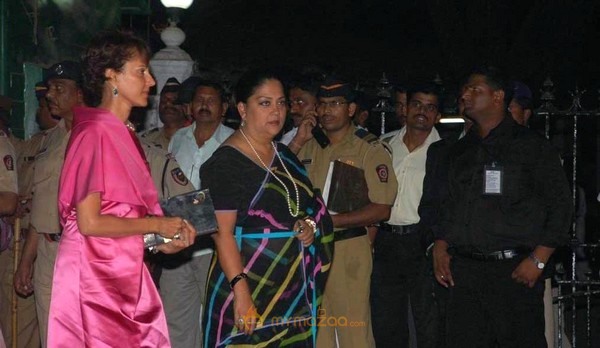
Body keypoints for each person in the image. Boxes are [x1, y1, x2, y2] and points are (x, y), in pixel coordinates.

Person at [46, 30, 196, 347]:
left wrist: (161, 240)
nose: (151, 81)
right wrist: (157, 224)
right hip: (93, 280)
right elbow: (89, 222)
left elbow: (122, 216)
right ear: (111, 75)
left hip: (120, 271)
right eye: (141, 71)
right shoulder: (94, 132)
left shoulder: (122, 133)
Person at [432, 66, 572, 347]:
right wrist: (439, 244)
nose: (466, 94)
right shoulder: (460, 151)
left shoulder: (532, 146)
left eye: (475, 89)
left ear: (498, 97)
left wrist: (539, 259)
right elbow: (447, 205)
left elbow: (561, 205)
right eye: (465, 89)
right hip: (466, 272)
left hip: (513, 271)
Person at [201, 68, 333, 347]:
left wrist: (308, 225)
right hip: (248, 282)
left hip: (290, 289)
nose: (276, 111)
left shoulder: (283, 154)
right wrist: (241, 292)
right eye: (264, 103)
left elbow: (309, 205)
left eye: (281, 102)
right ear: (242, 109)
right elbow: (220, 233)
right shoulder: (225, 163)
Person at [290, 77, 398, 348]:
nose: (327, 111)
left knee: (353, 330)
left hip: (348, 247)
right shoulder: (309, 144)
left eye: (336, 104)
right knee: (317, 330)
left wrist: (327, 221)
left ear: (351, 109)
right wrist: (298, 139)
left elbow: (382, 209)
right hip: (310, 249)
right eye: (322, 104)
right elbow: (277, 176)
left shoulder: (368, 149)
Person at [13, 60, 84, 347]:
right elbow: (42, 208)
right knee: (50, 339)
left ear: (81, 93)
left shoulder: (96, 134)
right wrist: (26, 261)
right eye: (49, 89)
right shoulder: (49, 141)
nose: (50, 95)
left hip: (82, 254)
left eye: (59, 88)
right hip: (47, 251)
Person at [165, 79, 234, 348]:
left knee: (218, 323)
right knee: (177, 322)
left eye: (211, 100)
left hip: (215, 247)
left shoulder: (233, 141)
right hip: (178, 246)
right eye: (199, 100)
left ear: (224, 107)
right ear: (190, 107)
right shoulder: (177, 139)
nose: (204, 105)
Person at [373, 84, 442, 348]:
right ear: (406, 107)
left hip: (423, 242)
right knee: (387, 319)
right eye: (417, 105)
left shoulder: (445, 151)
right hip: (387, 239)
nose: (422, 112)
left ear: (437, 115)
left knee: (428, 320)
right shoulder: (385, 145)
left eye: (430, 107)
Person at [140, 77, 186, 149]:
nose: (168, 104)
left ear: (185, 107)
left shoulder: (195, 139)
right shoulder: (146, 140)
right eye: (164, 101)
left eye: (174, 100)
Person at [280, 72, 320, 145]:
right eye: (291, 103)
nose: (292, 110)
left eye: (300, 102)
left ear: (318, 103)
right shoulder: (289, 136)